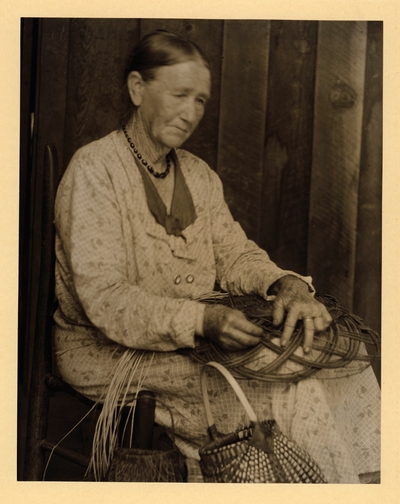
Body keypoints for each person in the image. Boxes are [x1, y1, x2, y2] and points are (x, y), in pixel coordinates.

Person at [54, 31, 380, 483]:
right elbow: (106, 300)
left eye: (201, 101)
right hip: (109, 351)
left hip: (196, 338)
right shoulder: (94, 171)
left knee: (349, 360)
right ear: (137, 89)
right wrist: (202, 321)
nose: (191, 114)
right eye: (179, 95)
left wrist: (287, 285)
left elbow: (234, 255)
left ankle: (360, 486)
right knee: (293, 388)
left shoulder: (199, 176)